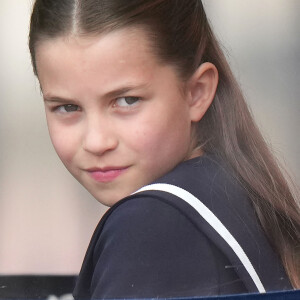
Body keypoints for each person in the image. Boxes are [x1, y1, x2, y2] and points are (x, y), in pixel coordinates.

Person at [28, 0, 300, 298]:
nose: (96, 141)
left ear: (197, 93)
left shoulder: (151, 225)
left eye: (127, 101)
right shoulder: (235, 193)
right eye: (67, 107)